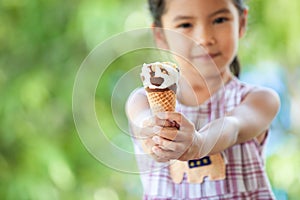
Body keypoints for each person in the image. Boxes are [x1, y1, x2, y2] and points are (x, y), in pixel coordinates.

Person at [126, 0, 280, 199]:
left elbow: (233, 126)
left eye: (220, 19)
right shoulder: (142, 100)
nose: (205, 38)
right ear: (160, 35)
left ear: (241, 23)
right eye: (185, 25)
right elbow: (143, 123)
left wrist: (199, 143)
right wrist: (153, 136)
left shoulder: (259, 99)